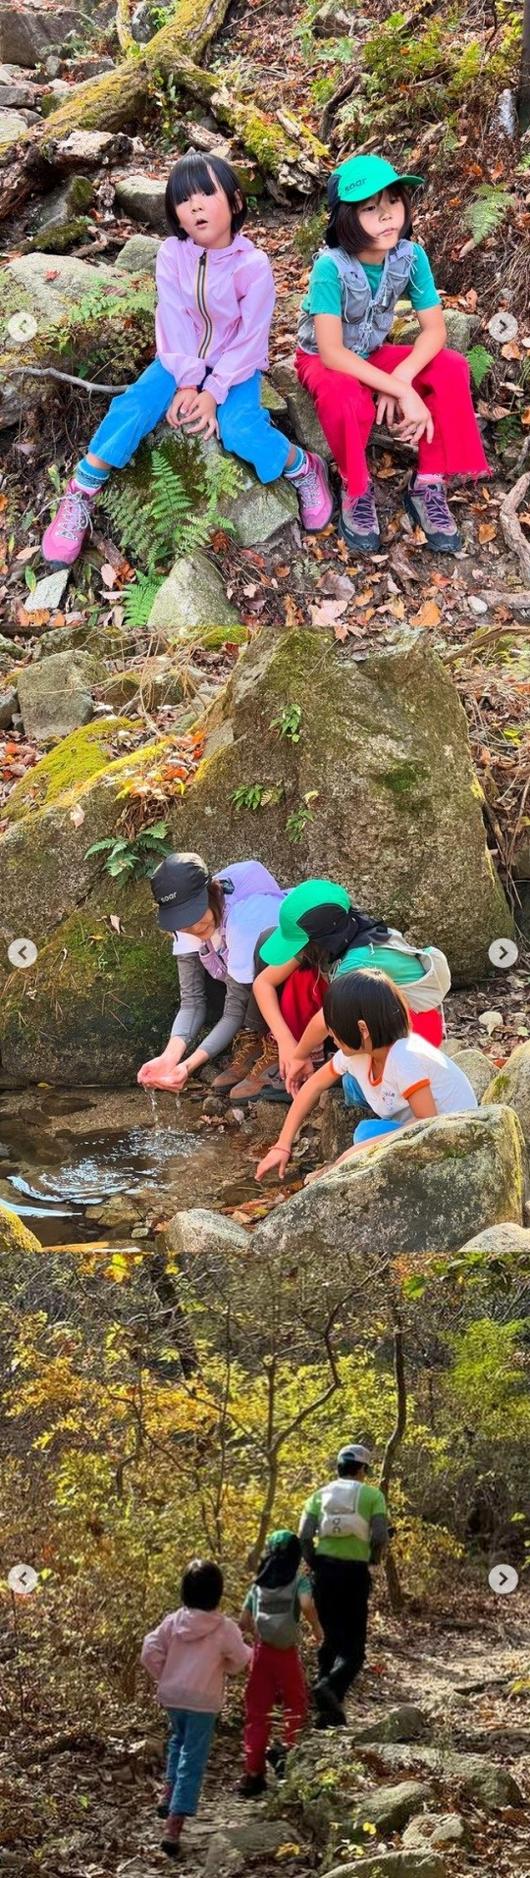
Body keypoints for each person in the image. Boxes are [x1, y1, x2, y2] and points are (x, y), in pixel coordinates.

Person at [41, 152, 332, 568]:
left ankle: (302, 467)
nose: (194, 205)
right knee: (136, 404)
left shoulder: (253, 266)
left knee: (240, 429)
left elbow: (251, 339)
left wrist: (213, 392)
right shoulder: (171, 255)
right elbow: (173, 317)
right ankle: (82, 489)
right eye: (183, 199)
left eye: (206, 193)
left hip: (236, 366)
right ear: (175, 214)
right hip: (180, 360)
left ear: (234, 202)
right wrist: (188, 383)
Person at [295, 153, 490, 555]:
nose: (387, 217)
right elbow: (331, 353)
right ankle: (356, 486)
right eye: (370, 208)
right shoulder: (330, 268)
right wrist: (399, 390)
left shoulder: (410, 257)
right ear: (345, 217)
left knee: (451, 367)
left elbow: (434, 330)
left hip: (371, 353)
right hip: (323, 358)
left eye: (393, 202)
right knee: (343, 395)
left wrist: (400, 380)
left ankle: (429, 483)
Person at [232, 877, 449, 1106]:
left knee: (354, 1081)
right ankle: (318, 1066)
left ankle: (324, 1074)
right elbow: (263, 983)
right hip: (376, 1018)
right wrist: (286, 1043)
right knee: (302, 977)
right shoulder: (344, 933)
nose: (299, 952)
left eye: (301, 946)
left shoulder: (359, 962)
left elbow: (325, 1019)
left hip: (412, 1030)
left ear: (321, 940)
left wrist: (298, 1055)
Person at [256, 967, 477, 1183]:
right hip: (409, 1111)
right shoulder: (358, 1054)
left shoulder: (404, 1056)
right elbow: (314, 1085)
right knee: (350, 1084)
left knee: (364, 1136)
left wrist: (348, 1158)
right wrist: (282, 1145)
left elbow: (426, 1122)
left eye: (333, 1027)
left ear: (362, 1030)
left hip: (450, 1133)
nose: (330, 1033)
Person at [138, 851, 287, 1094]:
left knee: (262, 968)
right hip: (235, 973)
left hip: (281, 972)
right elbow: (192, 1002)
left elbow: (234, 1008)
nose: (194, 927)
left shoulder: (244, 916)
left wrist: (189, 1065)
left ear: (213, 891)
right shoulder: (186, 928)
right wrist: (169, 1058)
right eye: (183, 922)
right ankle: (253, 1043)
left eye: (197, 916)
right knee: (204, 968)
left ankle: (274, 1045)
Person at [141, 1557, 251, 1857]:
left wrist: (165, 1675)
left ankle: (168, 1795)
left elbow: (149, 1650)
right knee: (193, 1756)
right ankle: (174, 1824)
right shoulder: (224, 1627)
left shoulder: (173, 1621)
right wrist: (229, 1662)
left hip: (173, 1697)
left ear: (184, 1591)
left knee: (178, 1742)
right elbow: (240, 1660)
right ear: (217, 1592)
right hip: (203, 1701)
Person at [299, 1443, 388, 1725]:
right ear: (361, 1469)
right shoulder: (373, 1495)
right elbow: (379, 1536)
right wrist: (373, 1558)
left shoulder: (318, 1496)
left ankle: (327, 1714)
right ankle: (328, 1689)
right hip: (353, 1574)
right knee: (354, 1650)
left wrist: (314, 1562)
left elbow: (303, 1535)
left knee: (329, 1640)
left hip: (323, 1573)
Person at [238, 1528, 323, 1798]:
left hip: (261, 1654)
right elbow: (307, 1604)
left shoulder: (257, 1585)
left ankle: (252, 1773)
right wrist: (316, 1629)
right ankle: (286, 1752)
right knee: (295, 1703)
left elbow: (243, 1621)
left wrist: (257, 1634)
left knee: (256, 1711)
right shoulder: (300, 1581)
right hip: (286, 1652)